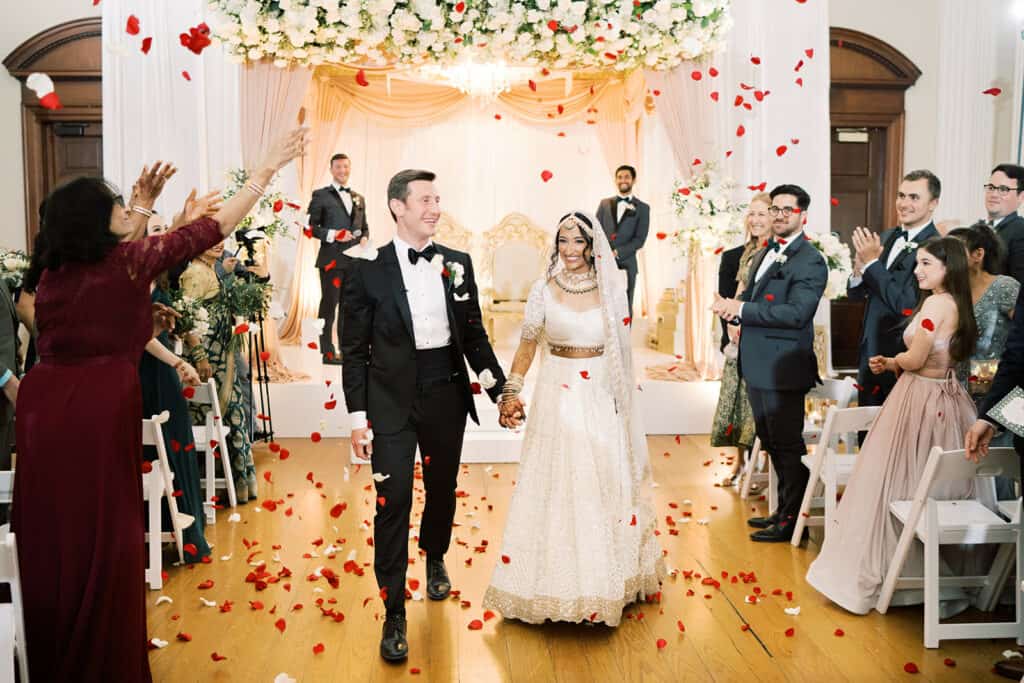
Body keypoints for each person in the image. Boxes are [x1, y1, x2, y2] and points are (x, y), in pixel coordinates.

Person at [10, 127, 308, 682]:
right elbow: (213, 229)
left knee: (55, 533)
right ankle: (100, 660)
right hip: (97, 405)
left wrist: (142, 213)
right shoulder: (126, 264)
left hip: (42, 403)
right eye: (119, 206)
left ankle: (54, 658)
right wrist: (264, 171)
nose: (129, 209)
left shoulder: (52, 274)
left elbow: (118, 281)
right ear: (97, 223)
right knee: (106, 536)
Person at [341, 169, 513, 663]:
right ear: (397, 207)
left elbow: (475, 335)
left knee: (440, 488)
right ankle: (394, 608)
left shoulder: (457, 264)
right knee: (391, 501)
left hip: (445, 392)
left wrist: (502, 389)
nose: (435, 208)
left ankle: (434, 553)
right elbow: (354, 351)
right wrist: (358, 418)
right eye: (425, 200)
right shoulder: (366, 269)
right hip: (389, 399)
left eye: (438, 199)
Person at [482, 211, 664, 626]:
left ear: (591, 245)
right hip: (555, 394)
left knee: (597, 481)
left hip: (599, 393)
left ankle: (605, 582)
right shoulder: (543, 288)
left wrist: (620, 401)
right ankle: (549, 585)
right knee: (557, 482)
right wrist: (511, 391)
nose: (569, 251)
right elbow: (528, 343)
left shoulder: (611, 289)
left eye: (577, 242)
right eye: (563, 242)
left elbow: (622, 351)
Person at [806, 236, 978, 615]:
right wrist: (895, 362)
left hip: (917, 400)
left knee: (890, 482)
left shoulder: (935, 304)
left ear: (948, 268)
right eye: (917, 263)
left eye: (926, 264)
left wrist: (900, 358)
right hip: (946, 400)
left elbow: (918, 358)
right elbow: (937, 356)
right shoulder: (958, 304)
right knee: (921, 481)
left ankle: (888, 573)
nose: (917, 271)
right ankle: (919, 577)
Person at [712, 184, 827, 542]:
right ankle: (782, 512)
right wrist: (734, 318)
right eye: (775, 209)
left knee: (788, 446)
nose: (779, 215)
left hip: (784, 368)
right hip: (758, 364)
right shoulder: (766, 252)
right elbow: (754, 299)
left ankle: (794, 521)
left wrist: (742, 309)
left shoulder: (810, 259)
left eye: (787, 210)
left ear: (802, 215)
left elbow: (796, 313)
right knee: (772, 442)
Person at [138, 212, 211, 562]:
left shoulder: (164, 279)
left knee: (175, 446)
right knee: (151, 450)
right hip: (142, 372)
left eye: (165, 229)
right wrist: (179, 362)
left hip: (163, 376)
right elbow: (140, 337)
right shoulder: (130, 282)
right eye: (155, 230)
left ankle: (185, 530)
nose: (161, 235)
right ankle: (151, 530)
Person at [848, 170, 941, 408]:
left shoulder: (937, 247)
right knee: (865, 435)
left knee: (895, 438)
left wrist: (871, 264)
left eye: (914, 197)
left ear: (933, 204)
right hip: (870, 352)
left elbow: (908, 305)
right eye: (901, 195)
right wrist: (859, 271)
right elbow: (858, 295)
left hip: (902, 357)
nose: (904, 203)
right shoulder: (888, 236)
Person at [180, 240, 258, 505]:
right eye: (210, 240)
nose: (218, 244)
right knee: (216, 418)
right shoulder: (193, 274)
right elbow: (187, 320)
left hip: (224, 357)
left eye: (220, 239)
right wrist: (200, 356)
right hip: (208, 360)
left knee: (235, 416)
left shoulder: (212, 269)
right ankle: (212, 488)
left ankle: (238, 487)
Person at [710, 193, 771, 486]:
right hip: (738, 338)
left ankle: (767, 469)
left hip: (764, 338)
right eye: (752, 214)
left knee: (763, 408)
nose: (756, 219)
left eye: (763, 213)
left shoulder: (779, 254)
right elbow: (725, 299)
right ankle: (739, 464)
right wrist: (729, 330)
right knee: (739, 403)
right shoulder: (734, 256)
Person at [309, 153, 369, 364]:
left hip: (354, 262)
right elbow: (311, 227)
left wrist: (364, 239)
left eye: (346, 166)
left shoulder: (359, 198)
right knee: (329, 306)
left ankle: (346, 350)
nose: (342, 170)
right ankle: (327, 352)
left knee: (349, 308)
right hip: (331, 260)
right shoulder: (320, 195)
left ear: (349, 168)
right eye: (338, 167)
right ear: (331, 169)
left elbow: (364, 228)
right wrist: (334, 234)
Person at [595, 165, 650, 320]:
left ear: (633, 180)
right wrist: (603, 253)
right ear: (616, 180)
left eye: (626, 177)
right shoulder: (604, 204)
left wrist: (618, 252)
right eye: (619, 177)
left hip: (627, 265)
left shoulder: (643, 208)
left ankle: (623, 344)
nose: (623, 180)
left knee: (625, 306)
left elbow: (640, 240)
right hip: (604, 263)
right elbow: (596, 232)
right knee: (602, 304)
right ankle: (603, 343)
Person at [983, 163, 1024, 283]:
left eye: (1003, 189)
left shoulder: (1020, 231)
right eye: (991, 187)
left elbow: (1019, 288)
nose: (994, 194)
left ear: (1021, 196)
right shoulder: (976, 229)